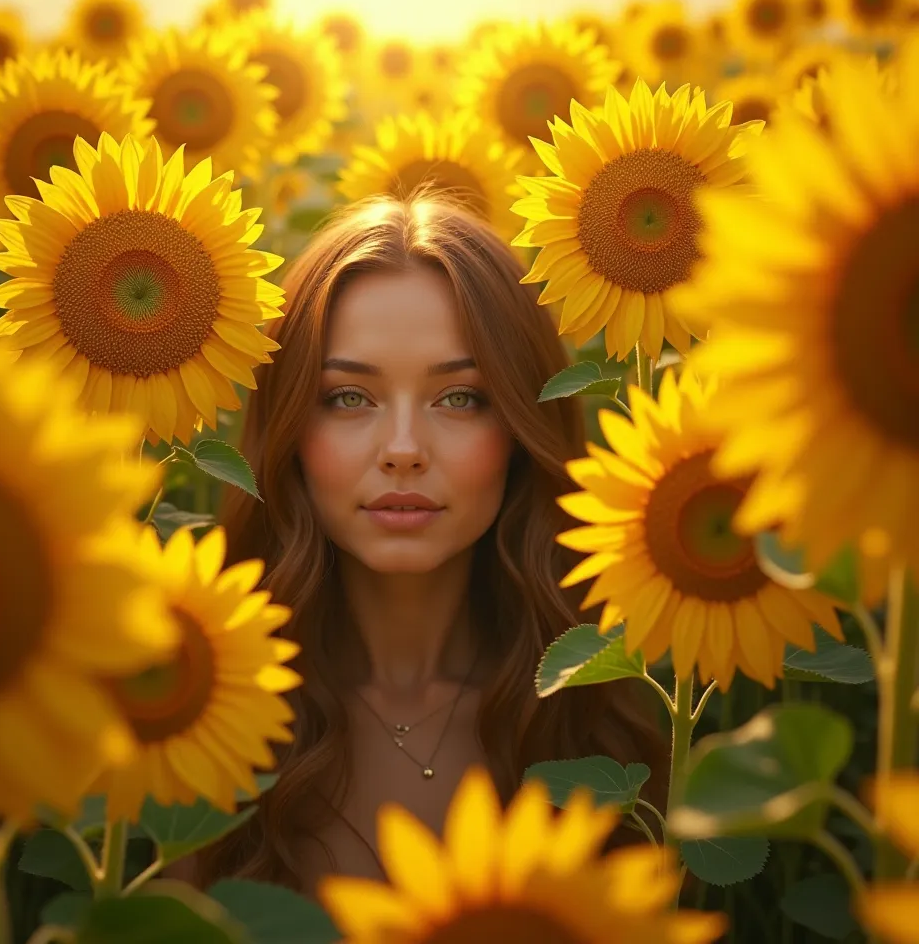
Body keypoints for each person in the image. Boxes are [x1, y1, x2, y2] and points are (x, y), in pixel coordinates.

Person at [194, 193, 668, 898]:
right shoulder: (197, 721)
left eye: (460, 398)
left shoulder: (603, 717)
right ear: (288, 429)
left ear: (522, 429)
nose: (404, 450)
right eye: (350, 397)